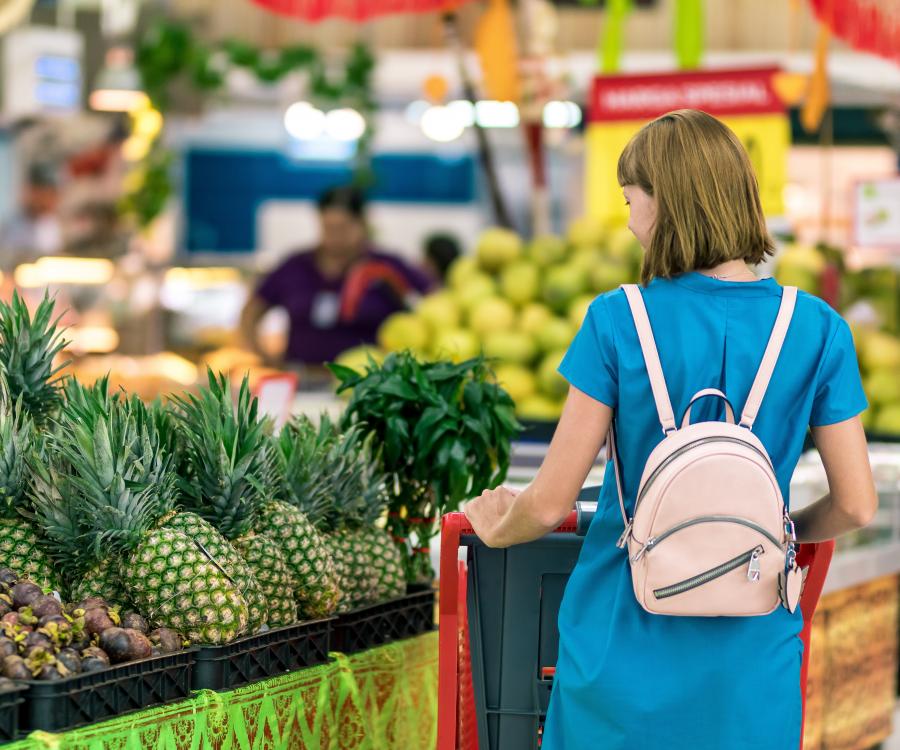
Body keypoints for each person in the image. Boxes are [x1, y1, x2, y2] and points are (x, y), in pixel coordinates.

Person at [463, 109, 877, 749]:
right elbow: (855, 504)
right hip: (753, 654)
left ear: (669, 204)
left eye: (632, 200)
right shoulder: (818, 328)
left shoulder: (616, 319)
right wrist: (777, 538)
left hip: (620, 648)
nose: (629, 221)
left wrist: (498, 527)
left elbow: (546, 502)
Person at [240, 185, 432, 365]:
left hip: (369, 385)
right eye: (328, 228)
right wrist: (263, 357)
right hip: (302, 379)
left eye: (343, 228)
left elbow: (433, 300)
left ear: (362, 224)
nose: (335, 237)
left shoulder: (387, 267)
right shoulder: (295, 266)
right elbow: (252, 311)